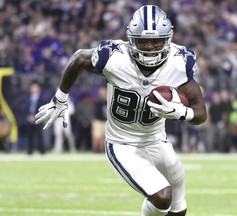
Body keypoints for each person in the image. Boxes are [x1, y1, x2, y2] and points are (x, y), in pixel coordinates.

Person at [35, 5, 207, 216]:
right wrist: (60, 98)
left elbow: (200, 113)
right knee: (162, 197)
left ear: (168, 39)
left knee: (179, 207)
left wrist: (182, 113)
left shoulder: (179, 63)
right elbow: (79, 58)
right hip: (122, 144)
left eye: (156, 41)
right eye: (143, 41)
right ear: (131, 39)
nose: (150, 47)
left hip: (156, 140)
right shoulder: (114, 57)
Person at [26, 80, 46, 156]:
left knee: (39, 136)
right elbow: (26, 109)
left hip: (37, 120)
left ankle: (42, 152)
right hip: (29, 120)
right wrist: (28, 117)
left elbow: (42, 110)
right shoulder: (28, 99)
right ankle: (29, 152)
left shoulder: (41, 99)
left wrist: (36, 118)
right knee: (30, 136)